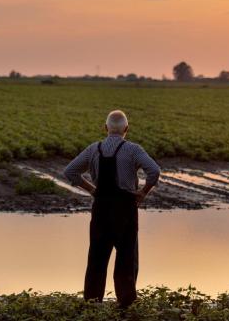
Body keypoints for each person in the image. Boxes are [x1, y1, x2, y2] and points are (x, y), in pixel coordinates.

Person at [63, 110, 161, 308]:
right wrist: (143, 192)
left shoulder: (94, 149)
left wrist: (91, 189)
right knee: (126, 258)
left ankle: (92, 305)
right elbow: (154, 171)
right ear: (127, 129)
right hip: (125, 210)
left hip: (101, 209)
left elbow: (70, 171)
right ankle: (126, 305)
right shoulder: (133, 150)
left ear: (105, 128)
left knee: (97, 258)